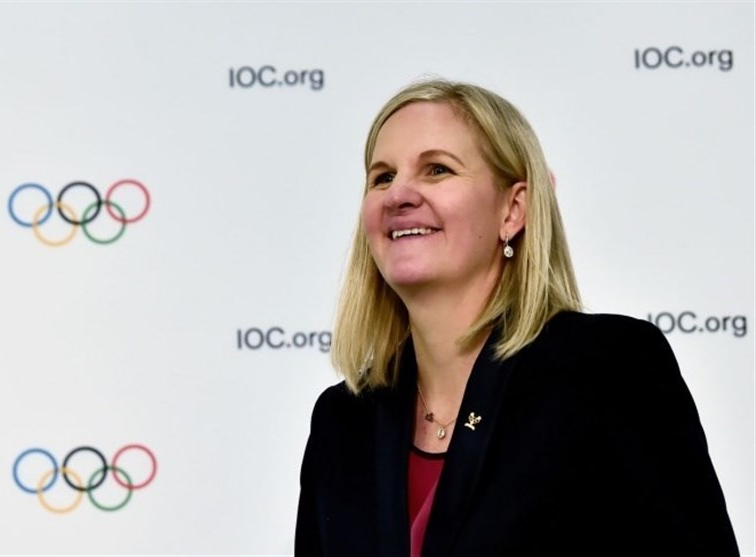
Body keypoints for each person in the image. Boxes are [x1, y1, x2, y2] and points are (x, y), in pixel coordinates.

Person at [294, 79, 739, 556]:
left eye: (437, 169)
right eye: (382, 177)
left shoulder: (606, 368)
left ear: (513, 209)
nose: (398, 194)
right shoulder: (342, 420)